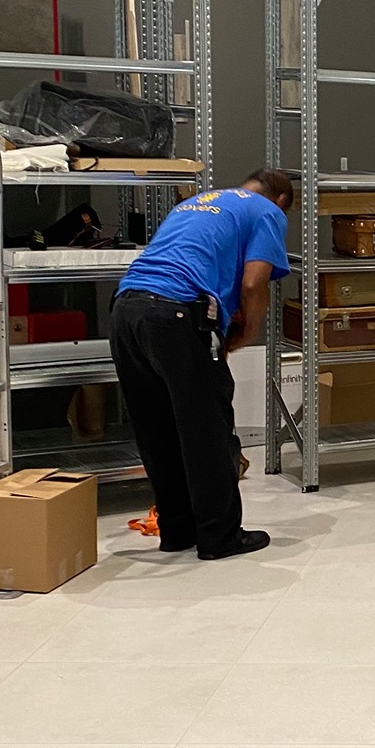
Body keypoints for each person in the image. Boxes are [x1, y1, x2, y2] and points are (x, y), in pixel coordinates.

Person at [110, 170, 293, 558]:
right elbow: (253, 282)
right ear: (280, 200)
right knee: (206, 429)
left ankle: (177, 531)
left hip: (125, 310)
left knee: (157, 430)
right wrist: (247, 331)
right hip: (176, 314)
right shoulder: (268, 211)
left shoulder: (198, 202)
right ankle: (219, 537)